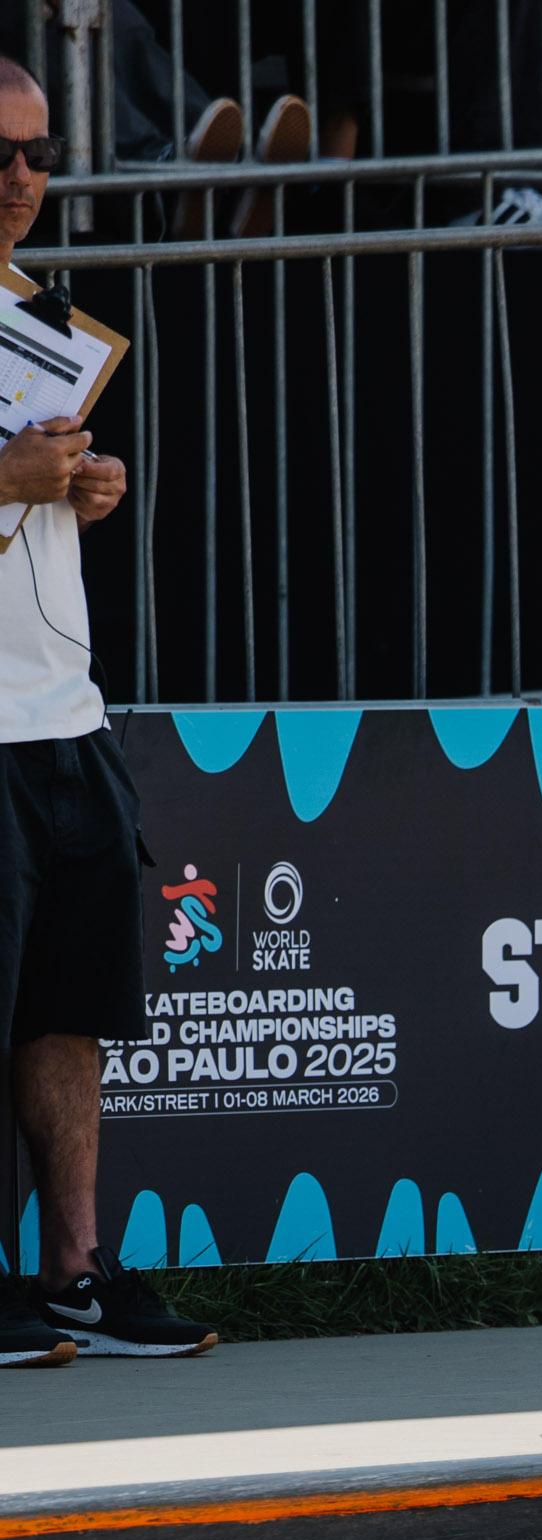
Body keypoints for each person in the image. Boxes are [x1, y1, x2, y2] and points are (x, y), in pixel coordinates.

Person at [0, 62, 213, 1367]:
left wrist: (75, 489)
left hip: (60, 717)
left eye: (33, 153)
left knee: (67, 1008)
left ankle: (77, 1271)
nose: (18, 178)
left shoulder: (37, 315)